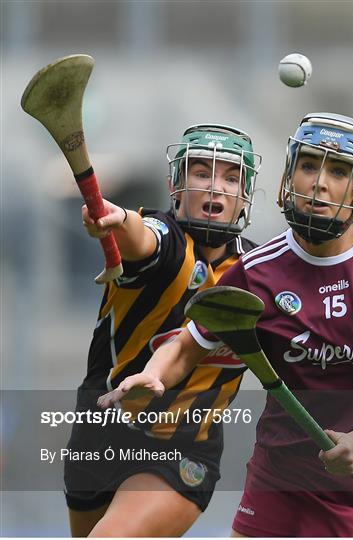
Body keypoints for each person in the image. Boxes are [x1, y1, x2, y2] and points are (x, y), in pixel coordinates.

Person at [98, 112, 353, 537]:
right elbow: (188, 346)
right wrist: (152, 376)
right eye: (308, 165)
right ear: (289, 175)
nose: (319, 182)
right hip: (278, 477)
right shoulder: (256, 271)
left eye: (338, 171)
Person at [64, 124, 262, 537]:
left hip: (182, 449)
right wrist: (118, 220)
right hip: (99, 432)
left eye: (230, 177)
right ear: (175, 186)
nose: (216, 187)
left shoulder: (261, 272)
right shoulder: (165, 240)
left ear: (245, 195)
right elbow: (140, 238)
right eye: (201, 173)